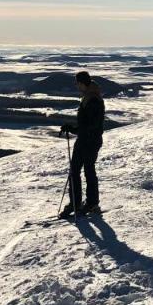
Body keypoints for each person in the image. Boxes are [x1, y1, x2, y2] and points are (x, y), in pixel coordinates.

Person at [59, 71, 105, 219]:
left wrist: (74, 129)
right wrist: (73, 129)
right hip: (88, 140)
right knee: (84, 170)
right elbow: (87, 124)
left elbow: (91, 124)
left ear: (83, 83)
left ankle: (82, 203)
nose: (77, 86)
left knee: (81, 170)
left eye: (78, 83)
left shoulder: (92, 100)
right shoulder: (90, 97)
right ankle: (86, 203)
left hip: (88, 141)